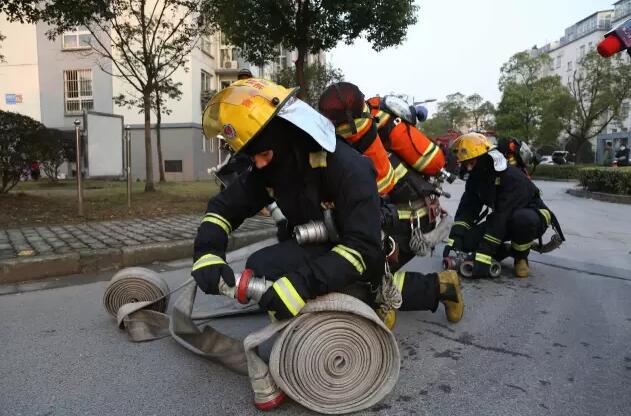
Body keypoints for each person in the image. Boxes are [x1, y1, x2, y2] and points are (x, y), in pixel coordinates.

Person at [193, 78, 463, 324]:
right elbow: (223, 208)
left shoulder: (347, 167)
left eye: (263, 154)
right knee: (265, 267)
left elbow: (362, 249)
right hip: (338, 236)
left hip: (387, 234)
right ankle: (347, 304)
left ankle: (440, 287)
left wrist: (301, 285)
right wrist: (208, 253)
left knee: (358, 285)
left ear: (283, 139)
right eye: (252, 157)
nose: (259, 164)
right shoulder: (272, 164)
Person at [318, 82, 463, 322]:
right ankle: (383, 298)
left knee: (360, 274)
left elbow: (379, 188)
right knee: (356, 271)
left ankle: (441, 287)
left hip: (409, 218)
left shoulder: (357, 139)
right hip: (392, 214)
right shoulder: (346, 136)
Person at [443, 133, 564, 278]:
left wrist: (483, 255)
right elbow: (467, 209)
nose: (468, 168)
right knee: (467, 242)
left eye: (472, 163)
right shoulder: (476, 177)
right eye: (465, 163)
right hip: (503, 218)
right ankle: (506, 250)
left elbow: (501, 217)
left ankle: (520, 257)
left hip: (531, 216)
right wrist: (455, 239)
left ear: (483, 158)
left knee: (522, 220)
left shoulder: (511, 176)